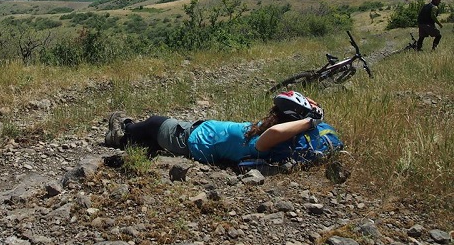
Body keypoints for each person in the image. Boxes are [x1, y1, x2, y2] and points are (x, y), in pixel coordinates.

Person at [104, 91, 325, 165]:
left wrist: (310, 121)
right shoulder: (282, 138)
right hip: (192, 135)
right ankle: (124, 140)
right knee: (149, 140)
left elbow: (275, 131)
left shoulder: (268, 140)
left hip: (186, 138)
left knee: (153, 122)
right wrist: (314, 111)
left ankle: (124, 127)